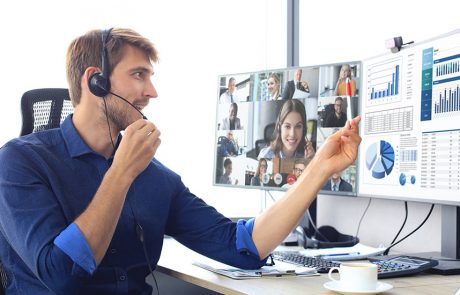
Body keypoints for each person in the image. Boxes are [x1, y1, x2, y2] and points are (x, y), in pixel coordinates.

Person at [0, 27, 361, 294]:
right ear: (95, 81)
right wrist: (121, 172)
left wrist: (319, 170)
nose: (151, 92)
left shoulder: (156, 178)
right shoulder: (19, 162)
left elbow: (244, 246)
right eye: (138, 75)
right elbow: (61, 275)